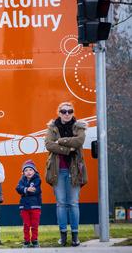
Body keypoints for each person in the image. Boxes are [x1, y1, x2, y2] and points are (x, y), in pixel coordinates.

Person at [44, 101, 87, 247]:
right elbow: (49, 144)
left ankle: (75, 236)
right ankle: (63, 236)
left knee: (73, 203)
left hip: (74, 170)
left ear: (73, 112)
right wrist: (68, 150)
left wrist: (61, 141)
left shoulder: (79, 126)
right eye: (64, 111)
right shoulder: (52, 127)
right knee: (61, 203)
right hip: (58, 170)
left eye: (70, 111)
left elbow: (79, 141)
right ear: (59, 112)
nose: (67, 114)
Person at [16, 160, 42, 248]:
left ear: (34, 171)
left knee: (35, 224)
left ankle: (34, 240)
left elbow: (35, 190)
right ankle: (26, 241)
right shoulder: (22, 180)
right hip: (24, 207)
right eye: (26, 170)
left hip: (35, 206)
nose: (28, 172)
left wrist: (24, 190)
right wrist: (26, 189)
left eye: (30, 170)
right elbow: (18, 188)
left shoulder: (37, 180)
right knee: (26, 225)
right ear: (23, 172)